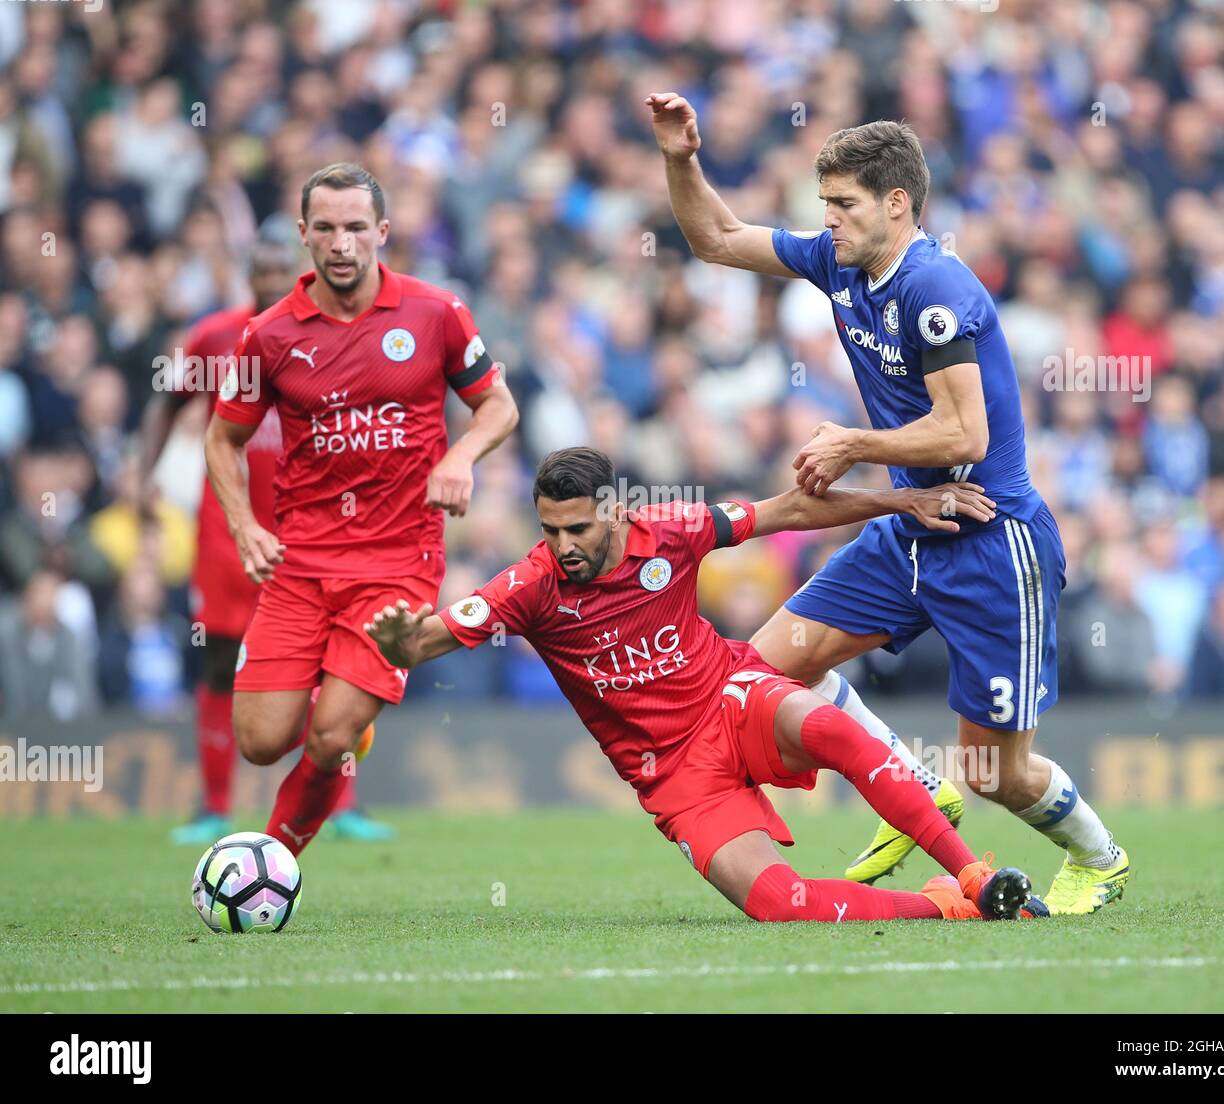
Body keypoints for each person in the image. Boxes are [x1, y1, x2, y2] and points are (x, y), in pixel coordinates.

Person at [647, 93, 1128, 915]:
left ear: (897, 204)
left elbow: (965, 431)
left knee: (995, 774)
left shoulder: (935, 288)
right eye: (823, 203)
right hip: (911, 526)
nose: (826, 219)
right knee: (759, 669)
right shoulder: (840, 261)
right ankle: (911, 787)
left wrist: (851, 443)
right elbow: (717, 239)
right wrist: (682, 158)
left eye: (843, 204)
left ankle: (1100, 857)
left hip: (990, 538)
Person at [366, 447, 1043, 923]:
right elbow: (431, 637)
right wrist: (403, 642)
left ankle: (975, 875)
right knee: (783, 905)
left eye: (577, 528)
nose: (564, 544)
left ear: (614, 512)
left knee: (830, 726)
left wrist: (903, 499)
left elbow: (790, 512)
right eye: (550, 530)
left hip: (730, 698)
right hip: (674, 776)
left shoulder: (670, 531)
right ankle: (944, 906)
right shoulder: (530, 586)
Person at [205, 163, 519, 856]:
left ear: (382, 231)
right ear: (303, 236)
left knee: (331, 735)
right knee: (260, 743)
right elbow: (221, 439)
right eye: (325, 228)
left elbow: (498, 405)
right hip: (301, 561)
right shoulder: (270, 335)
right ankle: (344, 714)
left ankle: (272, 860)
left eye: (355, 227)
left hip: (398, 563)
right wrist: (243, 523)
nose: (341, 243)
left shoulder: (435, 313)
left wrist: (459, 457)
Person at [140, 234, 394, 844]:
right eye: (261, 270)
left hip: (305, 530)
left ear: (297, 272)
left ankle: (343, 803)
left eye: (281, 269)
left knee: (329, 668)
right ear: (245, 275)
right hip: (228, 529)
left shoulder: (329, 335)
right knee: (222, 658)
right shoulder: (213, 338)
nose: (270, 279)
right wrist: (141, 480)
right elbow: (167, 405)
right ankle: (215, 806)